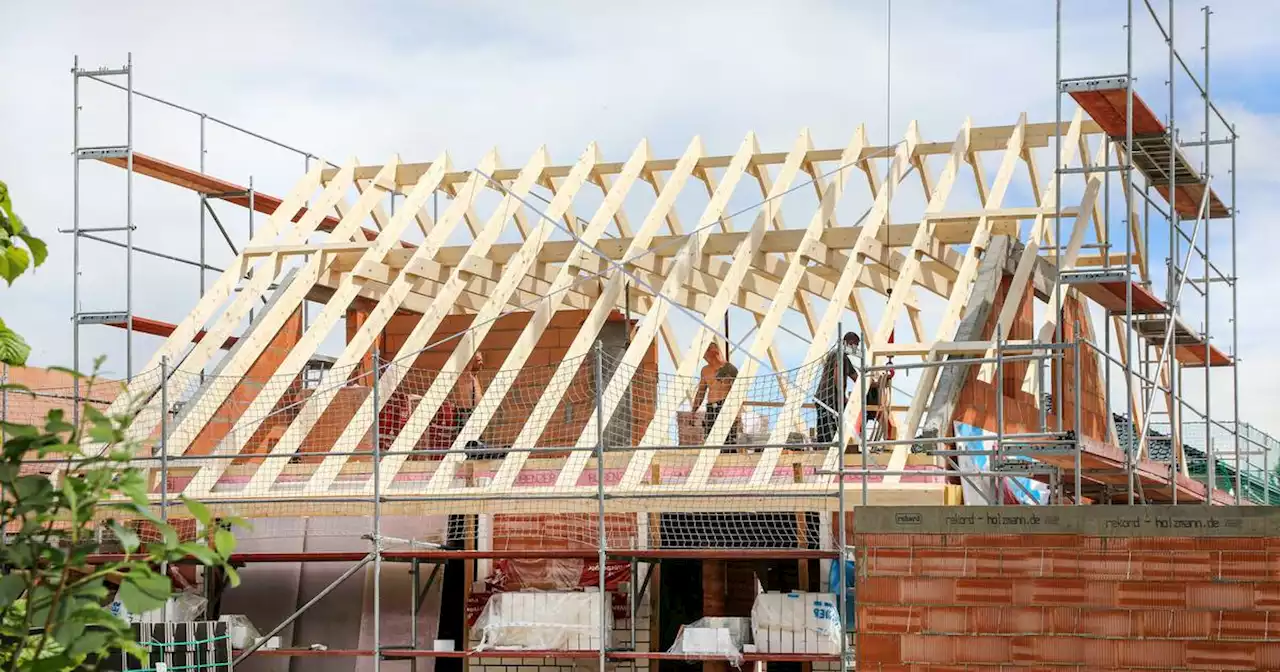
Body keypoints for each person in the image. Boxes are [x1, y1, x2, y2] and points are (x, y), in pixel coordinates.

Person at [814, 332, 860, 444]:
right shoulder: (840, 355)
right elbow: (837, 377)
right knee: (830, 430)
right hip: (829, 398)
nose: (855, 349)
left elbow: (856, 378)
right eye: (855, 345)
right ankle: (829, 450)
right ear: (849, 343)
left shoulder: (839, 356)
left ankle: (825, 447)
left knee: (825, 427)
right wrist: (842, 396)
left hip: (822, 397)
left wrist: (874, 382)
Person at [691, 342, 728, 439]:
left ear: (714, 352)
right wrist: (693, 411)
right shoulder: (705, 370)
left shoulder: (728, 368)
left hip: (725, 408)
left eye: (705, 352)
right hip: (711, 408)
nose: (704, 356)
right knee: (710, 438)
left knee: (727, 441)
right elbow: (701, 392)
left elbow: (737, 392)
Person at [707, 362, 743, 446]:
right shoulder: (712, 371)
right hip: (713, 407)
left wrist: (738, 413)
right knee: (711, 438)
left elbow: (737, 392)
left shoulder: (731, 370)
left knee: (728, 439)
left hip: (725, 406)